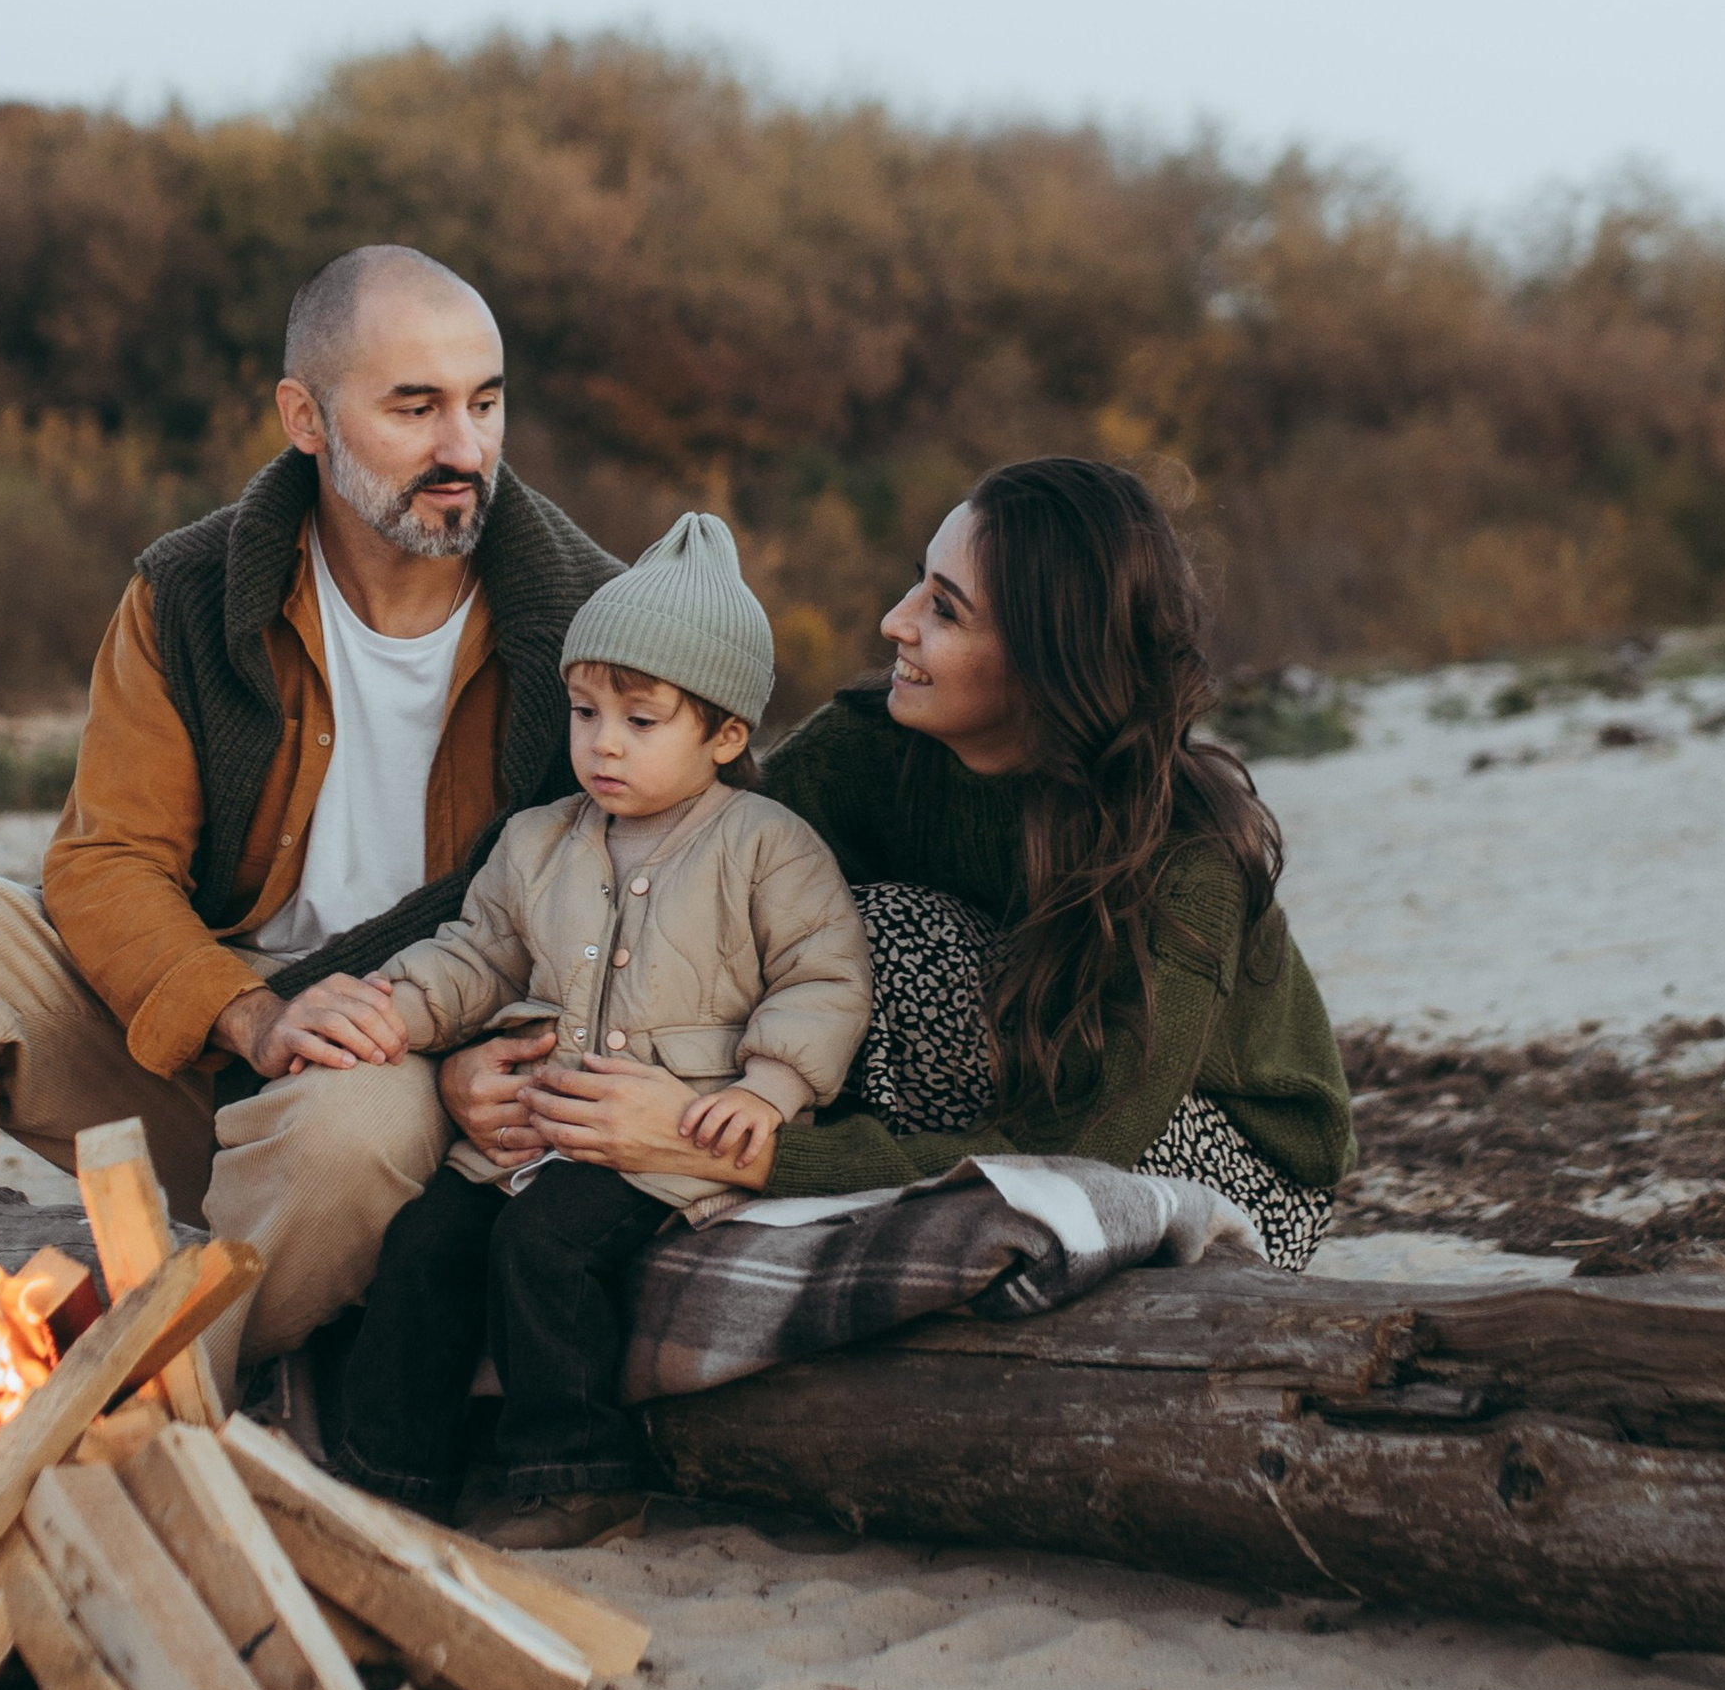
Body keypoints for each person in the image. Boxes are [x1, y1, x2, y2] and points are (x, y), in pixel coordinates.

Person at [0, 245, 618, 1369]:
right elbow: (105, 865)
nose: (462, 450)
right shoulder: (190, 592)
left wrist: (490, 1054)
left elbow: (658, 889)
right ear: (304, 415)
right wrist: (247, 1014)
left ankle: (145, 1396)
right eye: (414, 406)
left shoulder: (592, 620)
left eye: (485, 403)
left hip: (413, 1085)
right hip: (208, 1047)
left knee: (356, 1126)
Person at [507, 456, 1355, 1261]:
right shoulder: (869, 747)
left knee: (892, 935)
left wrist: (736, 1151)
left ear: (1044, 661)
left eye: (945, 609)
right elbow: (665, 869)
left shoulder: (1182, 854)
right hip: (1014, 1076)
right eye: (920, 580)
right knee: (780, 906)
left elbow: (1083, 1150)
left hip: (1219, 1155)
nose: (895, 621)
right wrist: (498, 1056)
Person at [324, 512, 873, 1548]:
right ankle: (388, 1471)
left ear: (723, 735)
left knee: (547, 1247)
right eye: (584, 712)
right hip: (533, 1126)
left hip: (670, 1138)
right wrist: (394, 1007)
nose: (602, 743)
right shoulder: (539, 840)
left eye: (640, 718)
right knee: (426, 1243)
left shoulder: (767, 846)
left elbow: (822, 978)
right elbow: (478, 954)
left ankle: (573, 1469)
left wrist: (767, 1090)